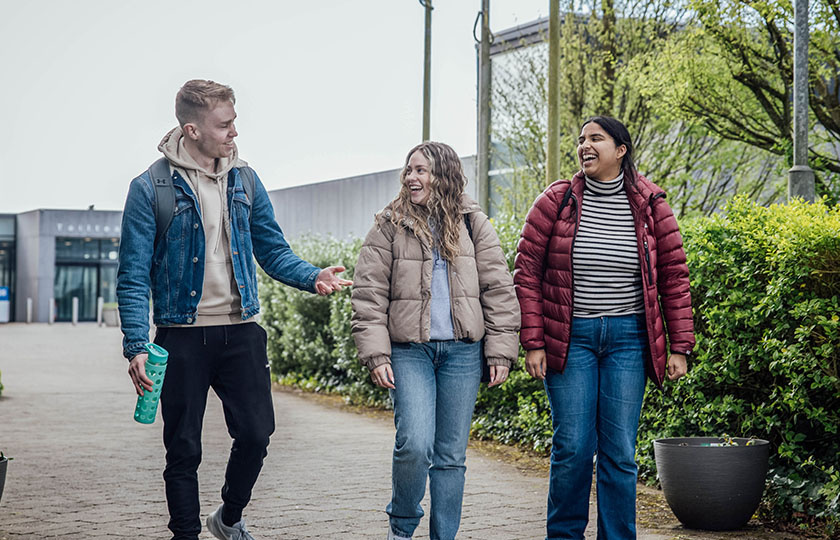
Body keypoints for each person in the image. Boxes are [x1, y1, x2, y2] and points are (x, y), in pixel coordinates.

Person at [117, 79, 352, 540]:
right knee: (182, 448)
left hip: (241, 331)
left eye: (234, 122)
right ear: (192, 130)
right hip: (180, 337)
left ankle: (228, 516)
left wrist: (313, 276)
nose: (233, 133)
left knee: (257, 433)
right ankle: (184, 533)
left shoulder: (244, 179)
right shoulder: (150, 188)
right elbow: (132, 275)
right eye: (224, 125)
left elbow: (272, 249)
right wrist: (136, 344)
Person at [514, 116, 695, 540]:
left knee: (619, 453)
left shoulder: (651, 204)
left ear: (621, 150)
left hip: (628, 342)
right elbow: (526, 272)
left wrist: (680, 346)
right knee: (573, 449)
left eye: (596, 138)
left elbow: (673, 276)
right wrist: (533, 341)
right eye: (581, 140)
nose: (585, 146)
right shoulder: (555, 200)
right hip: (570, 339)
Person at [351, 141, 520, 540]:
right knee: (414, 444)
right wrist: (375, 354)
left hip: (463, 352)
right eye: (409, 170)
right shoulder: (389, 224)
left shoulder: (473, 224)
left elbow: (498, 288)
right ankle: (402, 527)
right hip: (410, 352)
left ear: (443, 175)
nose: (412, 177)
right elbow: (368, 292)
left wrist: (500, 349)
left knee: (450, 457)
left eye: (421, 170)